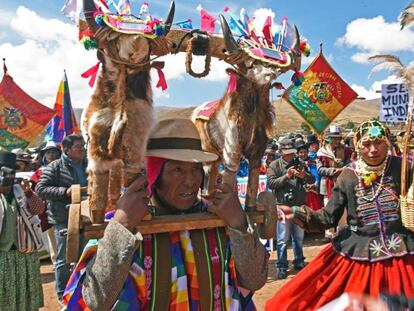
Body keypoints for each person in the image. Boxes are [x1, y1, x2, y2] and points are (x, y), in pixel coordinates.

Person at [63, 118, 268, 310]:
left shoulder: (218, 218)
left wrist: (239, 222)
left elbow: (254, 280)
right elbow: (96, 300)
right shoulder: (120, 225)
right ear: (154, 174)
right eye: (177, 170)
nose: (190, 181)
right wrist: (122, 228)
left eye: (195, 169)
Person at [265, 120, 414, 310]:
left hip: (404, 251)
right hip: (360, 252)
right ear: (358, 146)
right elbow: (327, 218)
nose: (373, 150)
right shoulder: (348, 175)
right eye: (367, 144)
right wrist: (295, 212)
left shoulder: (403, 168)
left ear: (387, 143)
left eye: (379, 143)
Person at [35, 134, 88, 302]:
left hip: (87, 217)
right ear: (66, 149)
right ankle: (61, 295)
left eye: (83, 145)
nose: (82, 149)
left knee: (86, 255)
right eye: (78, 146)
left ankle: (82, 291)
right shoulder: (55, 167)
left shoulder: (89, 164)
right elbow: (41, 189)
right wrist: (65, 192)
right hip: (63, 218)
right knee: (64, 259)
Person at [0, 151, 45, 310]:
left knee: (27, 296)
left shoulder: (21, 191)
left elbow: (39, 209)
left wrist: (28, 192)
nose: (9, 177)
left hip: (25, 252)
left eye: (12, 173)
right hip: (3, 255)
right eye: (5, 172)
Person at [267, 138, 314, 279]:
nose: (290, 156)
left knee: (298, 237)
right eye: (287, 153)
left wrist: (304, 176)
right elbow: (271, 183)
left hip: (299, 206)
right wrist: (286, 177)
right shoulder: (274, 165)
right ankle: (282, 266)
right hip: (282, 206)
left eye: (291, 153)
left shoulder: (299, 164)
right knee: (282, 239)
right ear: (280, 152)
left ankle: (299, 261)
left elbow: (312, 180)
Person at [30, 141, 62, 264]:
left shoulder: (63, 170)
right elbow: (33, 193)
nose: (51, 155)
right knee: (50, 237)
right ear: (44, 155)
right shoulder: (38, 174)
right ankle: (55, 261)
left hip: (62, 209)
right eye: (48, 152)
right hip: (45, 211)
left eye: (54, 152)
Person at [296, 139, 323, 211]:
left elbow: (317, 175)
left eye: (305, 152)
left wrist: (315, 185)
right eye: (301, 152)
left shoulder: (313, 162)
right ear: (297, 154)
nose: (303, 154)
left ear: (308, 152)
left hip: (313, 192)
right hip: (300, 193)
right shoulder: (295, 164)